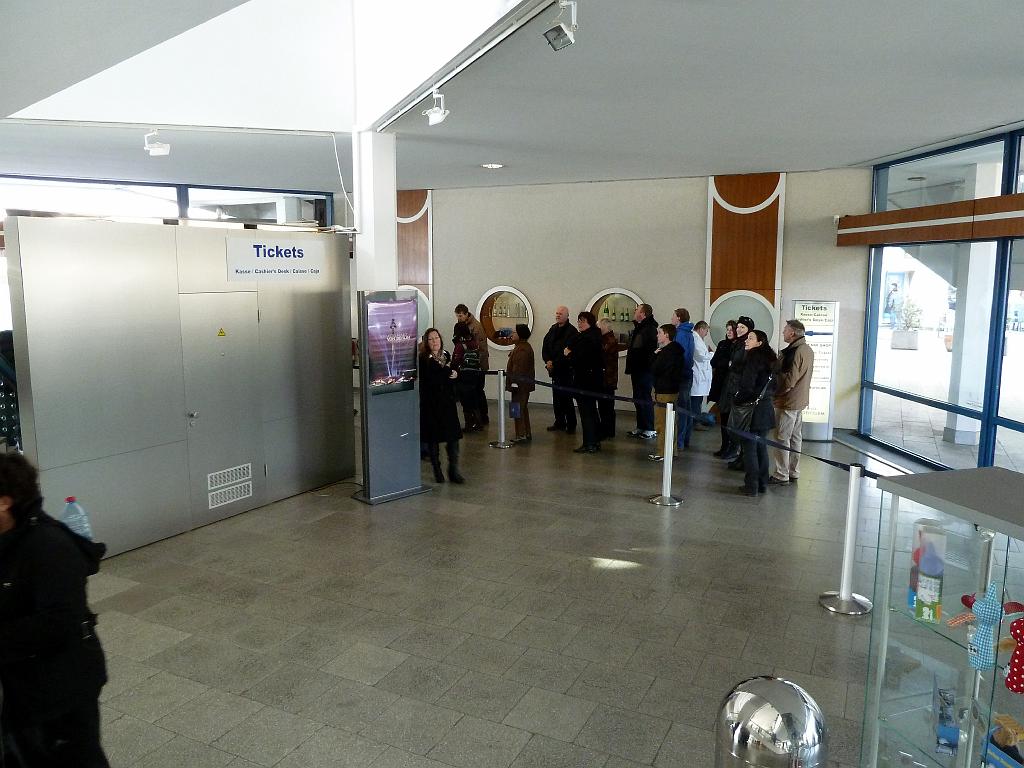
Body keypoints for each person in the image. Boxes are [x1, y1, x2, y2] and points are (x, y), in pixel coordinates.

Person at [0, 453, 110, 767]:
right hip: (22, 686)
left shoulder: (49, 546)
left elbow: (58, 623)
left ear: (4, 502)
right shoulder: (8, 539)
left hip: (62, 688)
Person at [769, 319, 815, 485]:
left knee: (782, 437)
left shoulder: (794, 352)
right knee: (795, 437)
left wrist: (777, 393)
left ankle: (781, 474)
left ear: (792, 333)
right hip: (799, 400)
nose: (783, 332)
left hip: (788, 401)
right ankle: (793, 471)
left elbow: (790, 381)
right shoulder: (807, 349)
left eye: (785, 330)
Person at [733, 329, 777, 495]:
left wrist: (737, 400)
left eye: (751, 338)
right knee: (761, 447)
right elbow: (775, 386)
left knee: (749, 448)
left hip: (752, 410)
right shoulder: (771, 361)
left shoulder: (753, 359)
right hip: (766, 408)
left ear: (760, 342)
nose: (746, 340)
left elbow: (747, 386)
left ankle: (751, 485)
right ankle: (762, 483)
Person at [419, 328, 465, 483]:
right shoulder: (423, 360)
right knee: (433, 438)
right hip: (431, 404)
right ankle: (437, 470)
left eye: (437, 338)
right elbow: (433, 379)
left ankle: (453, 470)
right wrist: (447, 372)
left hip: (447, 403)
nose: (435, 341)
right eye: (431, 339)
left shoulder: (446, 355)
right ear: (426, 342)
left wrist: (455, 374)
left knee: (453, 438)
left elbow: (452, 373)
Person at [564, 311, 604, 454]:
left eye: (583, 321)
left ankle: (590, 443)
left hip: (586, 381)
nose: (580, 323)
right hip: (591, 380)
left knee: (587, 413)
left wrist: (569, 354)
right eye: (579, 320)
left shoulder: (588, 339)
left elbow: (581, 360)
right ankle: (594, 441)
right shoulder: (591, 336)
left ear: (590, 323)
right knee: (591, 412)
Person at [648, 323, 685, 462]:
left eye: (660, 333)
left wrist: (654, 355)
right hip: (673, 390)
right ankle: (671, 451)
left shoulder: (666, 353)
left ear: (667, 335)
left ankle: (662, 452)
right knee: (671, 422)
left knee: (662, 423)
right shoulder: (676, 351)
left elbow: (655, 369)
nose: (657, 335)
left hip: (664, 390)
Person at [720, 316, 754, 465]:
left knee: (737, 421)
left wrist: (732, 365)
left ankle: (736, 451)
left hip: (738, 386)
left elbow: (741, 366)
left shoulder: (746, 345)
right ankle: (732, 449)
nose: (739, 330)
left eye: (742, 327)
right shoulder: (738, 344)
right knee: (728, 417)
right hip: (731, 384)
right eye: (738, 327)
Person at [541, 306, 579, 434]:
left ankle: (571, 424)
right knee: (556, 398)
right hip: (554, 370)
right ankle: (560, 422)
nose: (558, 315)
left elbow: (567, 352)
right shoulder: (553, 329)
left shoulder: (572, 332)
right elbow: (545, 345)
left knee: (566, 398)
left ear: (567, 316)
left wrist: (554, 362)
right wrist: (547, 360)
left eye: (561, 314)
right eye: (557, 313)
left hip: (565, 370)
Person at [625, 303, 658, 440]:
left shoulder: (649, 329)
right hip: (637, 369)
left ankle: (649, 428)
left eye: (637, 310)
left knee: (644, 397)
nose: (634, 311)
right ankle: (641, 426)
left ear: (643, 314)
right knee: (638, 398)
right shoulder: (640, 328)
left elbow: (647, 351)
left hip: (644, 369)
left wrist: (642, 363)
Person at [454, 304, 490, 427]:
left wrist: (478, 366)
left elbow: (481, 349)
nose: (458, 318)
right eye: (457, 316)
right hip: (471, 367)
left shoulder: (476, 327)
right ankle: (477, 419)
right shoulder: (463, 326)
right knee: (474, 393)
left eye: (460, 316)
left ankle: (482, 417)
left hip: (476, 367)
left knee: (478, 391)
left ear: (466, 314)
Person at [682, 320, 714, 448]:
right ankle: (695, 422)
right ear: (701, 329)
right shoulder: (695, 338)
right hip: (697, 376)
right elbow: (701, 356)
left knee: (698, 400)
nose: (706, 333)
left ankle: (696, 421)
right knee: (695, 401)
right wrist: (711, 353)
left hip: (700, 377)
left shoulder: (697, 339)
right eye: (706, 331)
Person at [709, 320, 737, 457]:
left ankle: (732, 448)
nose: (729, 332)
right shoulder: (722, 344)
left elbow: (734, 365)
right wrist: (726, 363)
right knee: (723, 418)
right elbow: (713, 362)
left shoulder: (737, 346)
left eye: (731, 330)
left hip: (730, 387)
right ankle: (724, 446)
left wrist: (725, 363)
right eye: (727, 329)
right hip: (720, 385)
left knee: (730, 419)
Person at [451, 321, 483, 432]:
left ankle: (469, 424)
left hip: (463, 376)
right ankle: (479, 423)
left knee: (465, 401)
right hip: (475, 375)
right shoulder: (474, 343)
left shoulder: (460, 345)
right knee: (474, 400)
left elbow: (456, 361)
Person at [670, 308, 695, 449]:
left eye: (673, 316)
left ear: (679, 318)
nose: (672, 318)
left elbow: (680, 355)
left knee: (682, 409)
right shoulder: (689, 333)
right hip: (687, 374)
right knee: (686, 408)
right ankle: (685, 438)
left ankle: (679, 441)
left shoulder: (680, 334)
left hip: (682, 375)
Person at [505, 324, 535, 443]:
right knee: (521, 408)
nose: (512, 334)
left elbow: (519, 368)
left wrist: (514, 383)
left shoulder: (522, 349)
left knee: (517, 409)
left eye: (514, 332)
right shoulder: (521, 347)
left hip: (520, 386)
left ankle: (521, 434)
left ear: (520, 334)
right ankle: (525, 432)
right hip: (521, 385)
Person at [596, 318, 619, 439]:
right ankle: (605, 429)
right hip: (605, 378)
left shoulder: (610, 340)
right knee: (603, 406)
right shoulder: (605, 339)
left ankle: (608, 430)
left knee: (607, 407)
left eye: (598, 326)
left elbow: (602, 353)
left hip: (608, 379)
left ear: (604, 326)